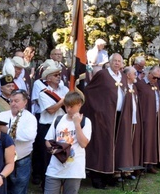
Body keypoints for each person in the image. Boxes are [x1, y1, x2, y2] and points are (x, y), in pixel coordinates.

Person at [82, 53, 124, 188]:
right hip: (102, 117)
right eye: (115, 61)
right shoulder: (103, 75)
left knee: (113, 146)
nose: (117, 63)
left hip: (117, 115)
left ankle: (109, 174)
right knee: (101, 145)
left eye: (119, 61)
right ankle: (97, 176)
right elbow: (90, 90)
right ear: (110, 62)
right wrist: (97, 109)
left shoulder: (121, 76)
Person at [44, 91, 91, 194]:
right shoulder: (58, 119)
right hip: (55, 168)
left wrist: (77, 124)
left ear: (79, 105)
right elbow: (48, 140)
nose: (68, 109)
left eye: (71, 106)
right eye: (66, 106)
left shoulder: (86, 121)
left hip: (74, 170)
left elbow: (83, 144)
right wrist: (53, 150)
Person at [0, 90, 36, 194]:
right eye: (11, 101)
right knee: (1, 188)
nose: (13, 103)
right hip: (2, 159)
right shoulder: (1, 115)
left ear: (25, 102)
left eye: (16, 101)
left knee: (19, 189)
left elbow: (29, 136)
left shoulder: (30, 118)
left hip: (21, 160)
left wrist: (7, 131)